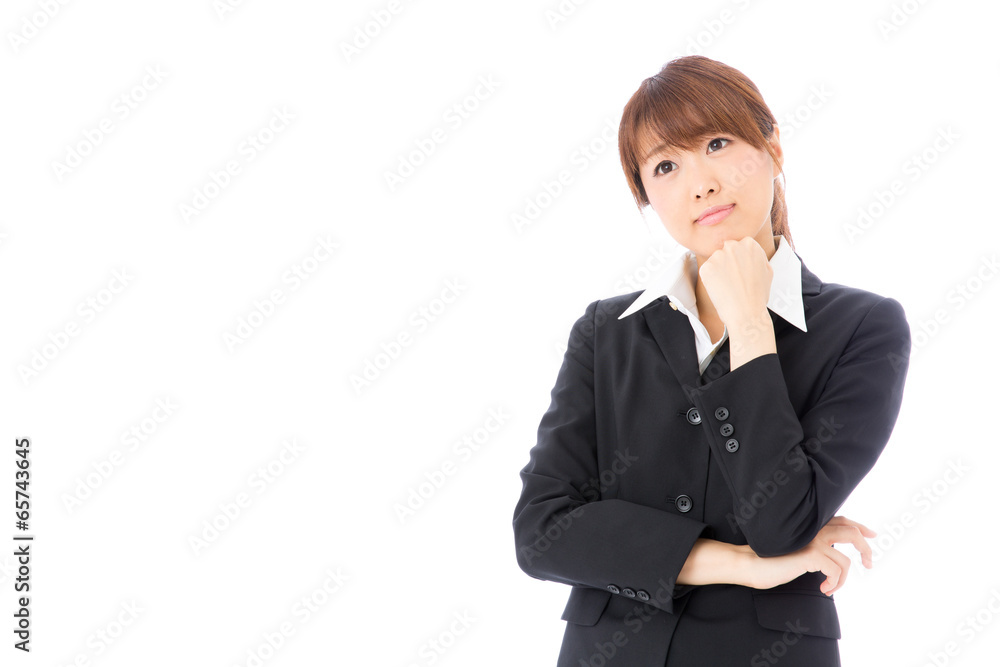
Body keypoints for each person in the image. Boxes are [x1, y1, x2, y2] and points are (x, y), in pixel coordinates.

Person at [511, 55, 912, 666]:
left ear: (774, 147)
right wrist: (739, 565)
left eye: (717, 143)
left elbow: (780, 519)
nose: (699, 183)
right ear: (647, 195)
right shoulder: (607, 332)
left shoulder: (862, 327)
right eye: (666, 165)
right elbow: (542, 531)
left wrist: (752, 326)